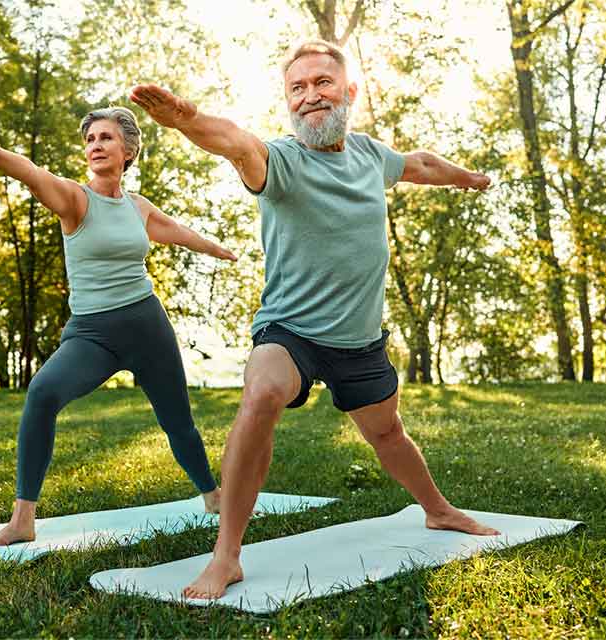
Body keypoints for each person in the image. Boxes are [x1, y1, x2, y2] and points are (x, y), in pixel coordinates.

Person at [130, 40, 500, 600]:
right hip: (291, 332)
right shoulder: (280, 161)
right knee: (262, 392)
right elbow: (235, 143)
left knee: (387, 432)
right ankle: (226, 554)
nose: (310, 97)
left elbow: (421, 163)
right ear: (288, 102)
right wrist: (187, 120)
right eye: (297, 88)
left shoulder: (372, 156)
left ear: (348, 92)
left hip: (358, 340)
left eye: (322, 83)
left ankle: (439, 510)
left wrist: (467, 177)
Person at [0, 107, 237, 546]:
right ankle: (23, 520)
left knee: (178, 421)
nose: (95, 145)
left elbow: (175, 231)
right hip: (93, 334)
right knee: (42, 393)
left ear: (129, 150)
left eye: (106, 138)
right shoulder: (75, 200)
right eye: (91, 139)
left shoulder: (138, 207)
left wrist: (217, 250)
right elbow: (32, 174)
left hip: (147, 326)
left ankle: (212, 496)